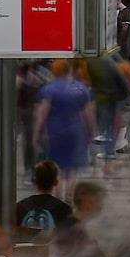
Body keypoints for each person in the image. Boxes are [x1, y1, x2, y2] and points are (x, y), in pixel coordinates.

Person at [34, 59, 94, 192]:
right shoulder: (82, 88)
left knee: (57, 166)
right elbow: (88, 114)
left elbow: (42, 115)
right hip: (76, 131)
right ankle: (69, 197)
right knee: (72, 168)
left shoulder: (48, 89)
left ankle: (58, 197)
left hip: (55, 131)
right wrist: (90, 132)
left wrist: (37, 134)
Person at [15, 160, 73, 242]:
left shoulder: (19, 207)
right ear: (56, 182)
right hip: (52, 250)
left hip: (24, 249)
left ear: (34, 181)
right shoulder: (65, 209)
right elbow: (68, 240)